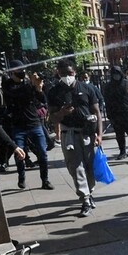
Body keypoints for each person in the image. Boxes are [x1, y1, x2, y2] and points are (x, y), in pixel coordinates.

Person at [47, 60, 102, 217]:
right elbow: (52, 118)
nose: (67, 76)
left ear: (75, 72)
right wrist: (62, 113)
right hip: (69, 135)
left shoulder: (87, 88)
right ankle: (85, 199)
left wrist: (99, 135)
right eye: (63, 74)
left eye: (70, 73)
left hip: (88, 133)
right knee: (76, 167)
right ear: (58, 74)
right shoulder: (54, 92)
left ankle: (89, 192)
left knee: (89, 166)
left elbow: (96, 112)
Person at [3, 60, 53, 190]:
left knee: (42, 153)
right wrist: (31, 84)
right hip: (18, 126)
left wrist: (39, 88)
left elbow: (42, 100)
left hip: (34, 123)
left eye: (23, 69)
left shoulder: (28, 83)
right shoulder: (8, 85)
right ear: (12, 71)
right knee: (20, 154)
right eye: (19, 70)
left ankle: (45, 180)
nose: (22, 72)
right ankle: (21, 177)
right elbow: (16, 95)